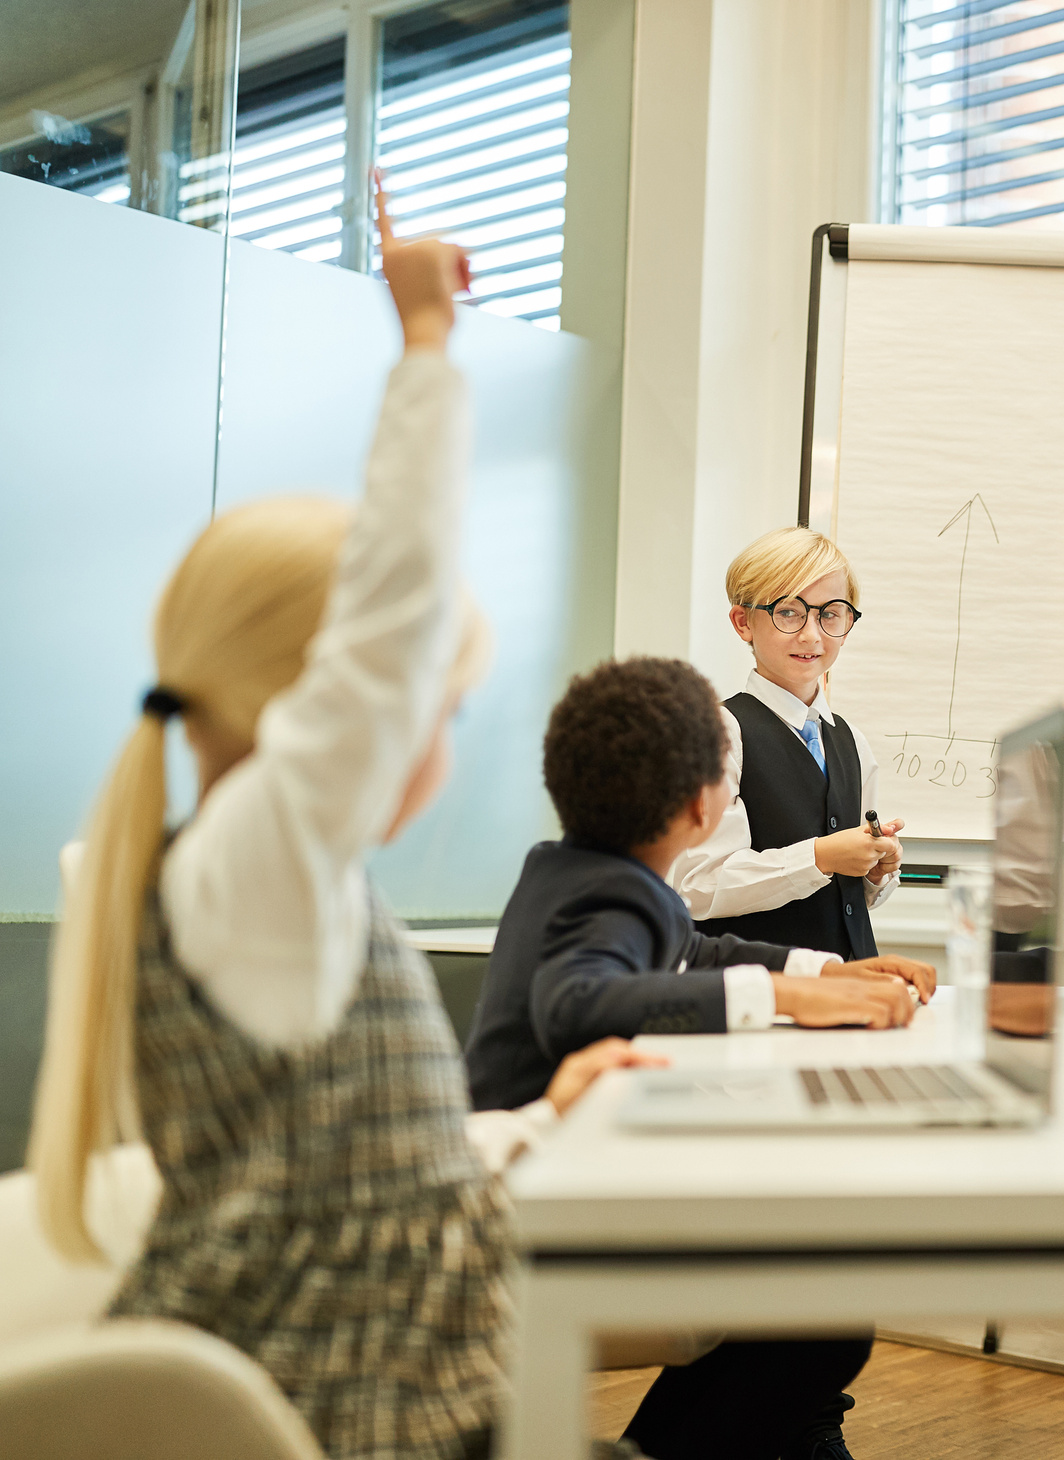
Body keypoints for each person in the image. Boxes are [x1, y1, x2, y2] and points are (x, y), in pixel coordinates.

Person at [27, 183, 653, 1460]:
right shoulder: (256, 860)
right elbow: (387, 627)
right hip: (354, 1422)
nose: (439, 739)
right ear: (316, 701)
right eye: (446, 707)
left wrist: (540, 1114)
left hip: (415, 1401)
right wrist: (425, 341)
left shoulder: (285, 892)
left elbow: (373, 1177)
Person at [465, 655, 932, 1115]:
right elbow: (576, 1005)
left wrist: (824, 973)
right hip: (527, 1164)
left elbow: (696, 953)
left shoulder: (582, 871)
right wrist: (782, 996)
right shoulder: (606, 896)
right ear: (698, 805)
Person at [668, 528, 902, 959]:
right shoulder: (718, 732)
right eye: (789, 612)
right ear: (743, 622)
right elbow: (698, 885)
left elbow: (849, 902)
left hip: (851, 984)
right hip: (759, 993)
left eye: (831, 613)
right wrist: (820, 857)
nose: (813, 635)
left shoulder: (852, 742)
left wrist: (874, 870)